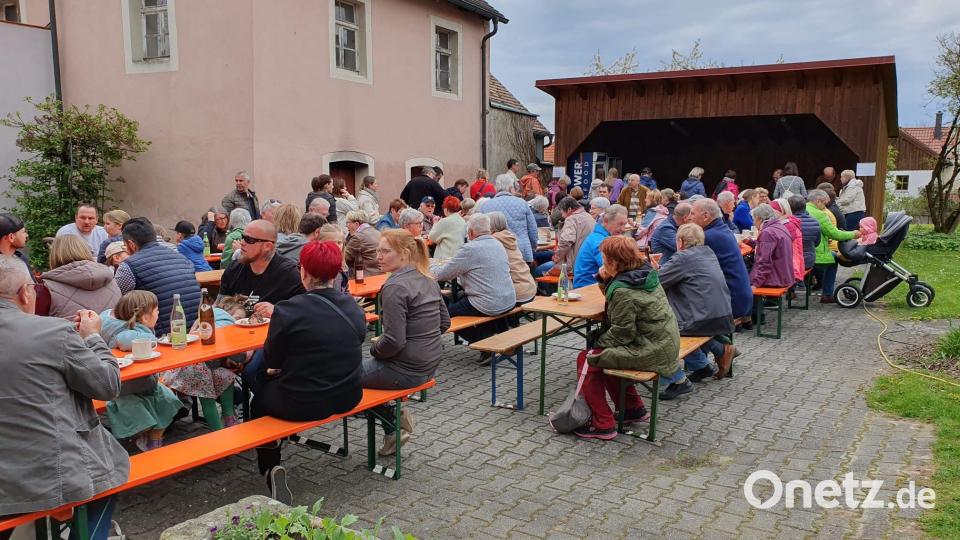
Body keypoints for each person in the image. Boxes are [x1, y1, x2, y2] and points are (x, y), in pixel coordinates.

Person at [0, 256, 128, 539]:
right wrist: (94, 338)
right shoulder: (53, 331)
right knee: (110, 479)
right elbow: (107, 386)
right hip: (48, 474)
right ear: (25, 292)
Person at [250, 241, 364, 504]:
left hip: (301, 403)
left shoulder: (288, 309)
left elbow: (272, 358)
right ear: (336, 274)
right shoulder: (352, 306)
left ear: (304, 272)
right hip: (348, 394)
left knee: (258, 392)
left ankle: (270, 464)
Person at [573, 236, 681, 440]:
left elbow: (622, 333)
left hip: (651, 349)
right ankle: (633, 409)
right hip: (662, 342)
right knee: (606, 355)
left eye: (604, 258)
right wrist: (604, 278)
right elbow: (619, 306)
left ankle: (603, 423)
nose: (602, 262)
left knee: (588, 358)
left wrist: (596, 342)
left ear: (614, 262)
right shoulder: (644, 274)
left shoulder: (623, 289)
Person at [364, 230, 449, 455]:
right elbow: (445, 323)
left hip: (406, 369)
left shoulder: (395, 286)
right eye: (377, 251)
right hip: (430, 364)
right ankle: (393, 420)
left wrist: (374, 349)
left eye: (385, 251)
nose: (378, 257)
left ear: (404, 253)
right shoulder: (427, 279)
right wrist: (423, 338)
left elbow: (393, 341)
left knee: (343, 377)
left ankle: (392, 421)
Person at [99, 290, 184, 450]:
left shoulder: (109, 319)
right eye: (156, 310)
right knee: (142, 415)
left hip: (142, 383)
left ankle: (154, 442)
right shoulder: (126, 333)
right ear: (145, 318)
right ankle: (147, 439)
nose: (159, 313)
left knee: (168, 401)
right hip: (123, 389)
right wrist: (154, 340)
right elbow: (123, 340)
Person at [658, 223, 736, 388]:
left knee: (666, 329)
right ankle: (709, 359)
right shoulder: (708, 252)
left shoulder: (683, 257)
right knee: (684, 323)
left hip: (702, 318)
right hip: (723, 315)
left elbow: (657, 282)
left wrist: (652, 270)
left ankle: (705, 361)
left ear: (680, 242)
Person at [430, 214, 516, 361]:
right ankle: (501, 337)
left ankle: (485, 344)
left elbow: (442, 274)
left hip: (488, 303)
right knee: (463, 299)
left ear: (470, 232)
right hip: (508, 299)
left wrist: (429, 265)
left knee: (448, 315)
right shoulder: (497, 244)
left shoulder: (471, 248)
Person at [163, 295, 246, 430]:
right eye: (237, 317)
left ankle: (228, 419)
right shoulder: (226, 321)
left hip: (194, 362)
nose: (238, 322)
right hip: (195, 365)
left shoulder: (202, 317)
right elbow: (236, 352)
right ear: (227, 311)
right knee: (209, 395)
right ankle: (220, 430)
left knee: (226, 377)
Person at [114, 218, 202, 335]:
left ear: (131, 244)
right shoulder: (180, 257)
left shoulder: (128, 266)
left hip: (162, 337)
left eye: (125, 245)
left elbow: (118, 303)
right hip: (196, 330)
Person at [690, 199, 753, 321]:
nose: (689, 217)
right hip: (741, 297)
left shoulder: (708, 236)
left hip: (731, 301)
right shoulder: (722, 230)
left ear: (706, 216)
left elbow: (690, 267)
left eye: (692, 213)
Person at [219, 219, 306, 306]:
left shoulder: (290, 275)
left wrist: (277, 311)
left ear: (267, 246)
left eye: (249, 239)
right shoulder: (233, 269)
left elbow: (301, 312)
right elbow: (219, 308)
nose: (242, 243)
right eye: (243, 237)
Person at [41, 235, 122, 320]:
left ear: (54, 254)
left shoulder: (47, 288)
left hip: (70, 332)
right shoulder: (111, 280)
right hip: (111, 332)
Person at [806, 190, 858, 303]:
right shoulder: (820, 214)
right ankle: (827, 294)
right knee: (833, 259)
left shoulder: (804, 209)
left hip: (799, 254)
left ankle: (793, 292)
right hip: (814, 255)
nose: (825, 207)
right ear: (818, 201)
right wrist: (854, 234)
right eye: (824, 203)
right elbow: (835, 234)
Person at [480, 174, 539, 263]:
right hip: (521, 251)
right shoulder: (522, 203)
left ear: (496, 188)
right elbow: (532, 229)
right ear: (511, 187)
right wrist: (533, 247)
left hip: (497, 252)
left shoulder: (486, 206)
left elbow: (482, 231)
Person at [573, 204, 628, 288]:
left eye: (625, 224)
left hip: (596, 286)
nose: (623, 229)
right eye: (620, 224)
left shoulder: (602, 237)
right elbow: (611, 269)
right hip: (587, 289)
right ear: (606, 221)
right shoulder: (600, 241)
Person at [488, 212, 537, 305]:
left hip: (516, 292)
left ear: (490, 226)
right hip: (530, 287)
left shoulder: (493, 241)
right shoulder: (509, 237)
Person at [748, 204, 795, 289]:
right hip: (784, 276)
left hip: (774, 280)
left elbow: (764, 262)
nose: (753, 222)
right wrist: (750, 242)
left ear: (759, 218)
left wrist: (755, 283)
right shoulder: (779, 226)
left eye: (753, 219)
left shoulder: (767, 232)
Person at [770, 199, 805, 284]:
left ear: (781, 211)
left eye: (773, 211)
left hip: (792, 266)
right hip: (791, 262)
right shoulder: (788, 222)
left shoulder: (788, 225)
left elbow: (776, 244)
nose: (771, 214)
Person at [344, 210, 383, 278]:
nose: (347, 226)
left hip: (365, 278)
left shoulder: (358, 237)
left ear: (356, 224)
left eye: (348, 222)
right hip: (381, 274)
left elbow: (345, 258)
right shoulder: (377, 232)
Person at [789, 195, 821, 274]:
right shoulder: (815, 222)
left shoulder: (788, 222)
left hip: (792, 261)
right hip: (809, 260)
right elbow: (816, 243)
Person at [429, 196, 467, 261]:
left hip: (444, 259)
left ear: (446, 209)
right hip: (457, 257)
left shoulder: (445, 221)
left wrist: (435, 223)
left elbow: (432, 237)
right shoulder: (462, 221)